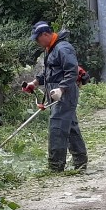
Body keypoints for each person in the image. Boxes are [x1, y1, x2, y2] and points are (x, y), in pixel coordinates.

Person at [21, 21, 87, 171]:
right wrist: (35, 82)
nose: (37, 43)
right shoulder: (50, 49)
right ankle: (80, 160)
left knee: (57, 126)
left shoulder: (63, 48)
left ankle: (55, 165)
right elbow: (50, 72)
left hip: (65, 92)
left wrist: (61, 89)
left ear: (45, 34)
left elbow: (72, 72)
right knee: (70, 126)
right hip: (55, 92)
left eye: (38, 39)